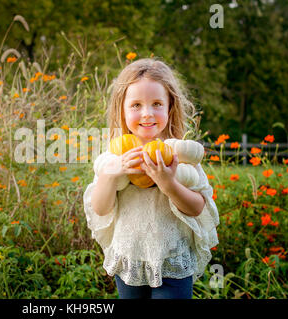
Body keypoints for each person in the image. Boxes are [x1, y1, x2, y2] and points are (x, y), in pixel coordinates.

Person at [83, 57, 219, 299]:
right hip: (130, 260)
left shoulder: (180, 155)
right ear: (122, 110)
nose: (147, 113)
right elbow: (100, 208)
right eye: (136, 105)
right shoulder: (115, 155)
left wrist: (168, 184)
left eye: (157, 103)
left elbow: (197, 207)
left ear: (170, 107)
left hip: (172, 260)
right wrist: (109, 174)